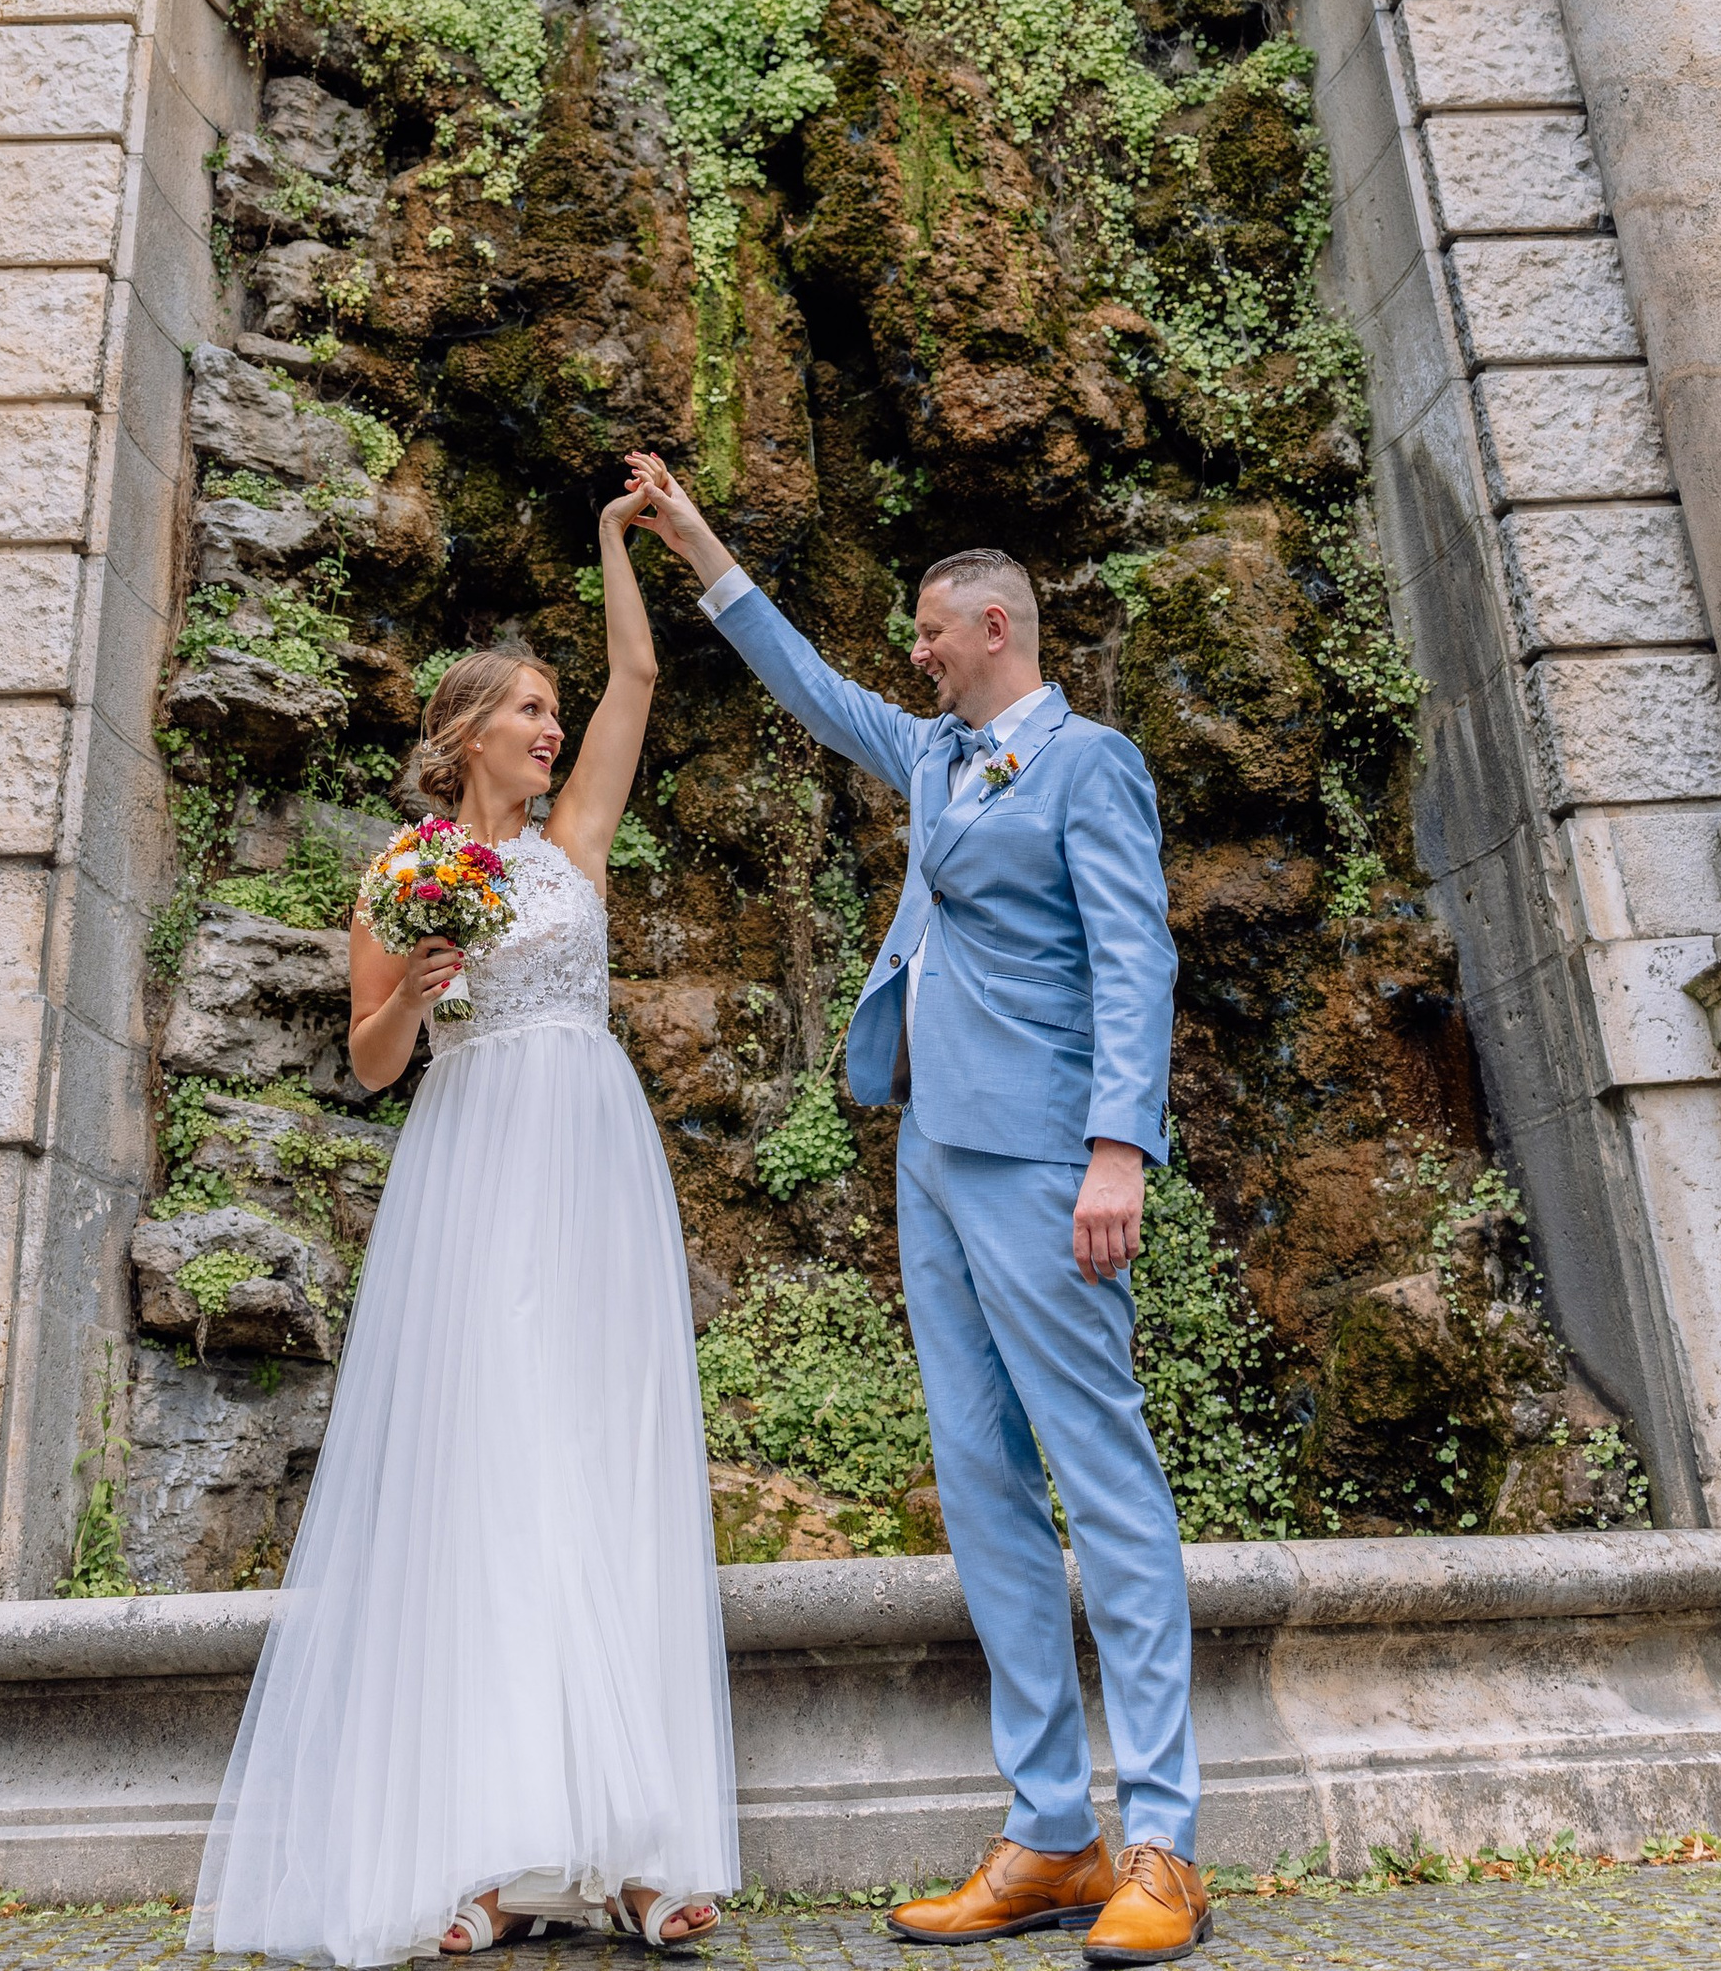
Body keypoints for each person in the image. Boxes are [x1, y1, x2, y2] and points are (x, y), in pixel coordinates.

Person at [625, 453, 1207, 1965]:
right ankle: (1051, 1831)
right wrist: (695, 541)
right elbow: (813, 688)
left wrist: (1117, 1151)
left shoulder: (1093, 763)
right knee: (984, 1484)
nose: (917, 652)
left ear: (996, 627)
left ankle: (1164, 1839)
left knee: (1106, 1473)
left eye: (933, 633)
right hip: (932, 1159)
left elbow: (1136, 962)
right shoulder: (939, 760)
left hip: (1045, 1156)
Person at [188, 483, 737, 1968]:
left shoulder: (574, 842)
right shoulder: (402, 870)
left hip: (593, 1161)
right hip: (476, 1154)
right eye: (533, 711)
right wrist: (418, 992)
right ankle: (495, 1857)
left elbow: (639, 676)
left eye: (556, 711)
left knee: (598, 1463)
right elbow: (367, 1061)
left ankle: (630, 1851)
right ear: (471, 727)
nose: (556, 728)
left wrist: (623, 541)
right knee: (498, 1472)